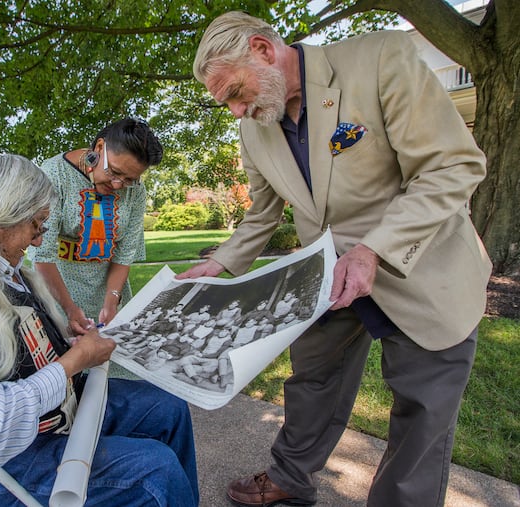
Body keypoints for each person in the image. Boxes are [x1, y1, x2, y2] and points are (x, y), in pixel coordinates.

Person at [179, 11, 492, 507]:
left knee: (423, 407)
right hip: (329, 275)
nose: (237, 111)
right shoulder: (254, 129)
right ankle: (291, 477)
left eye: (236, 92)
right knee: (311, 379)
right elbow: (262, 215)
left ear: (263, 49)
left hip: (422, 266)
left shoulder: (381, 58)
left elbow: (452, 166)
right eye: (228, 104)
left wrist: (374, 250)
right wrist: (217, 266)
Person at [0, 154, 198, 506]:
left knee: (168, 409)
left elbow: (7, 340)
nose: (39, 240)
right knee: (155, 473)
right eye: (36, 225)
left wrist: (65, 340)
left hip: (42, 416)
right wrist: (71, 363)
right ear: (1, 219)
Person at [30, 118, 163, 333]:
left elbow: (124, 255)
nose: (119, 185)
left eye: (129, 179)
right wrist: (70, 309)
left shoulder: (136, 191)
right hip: (58, 300)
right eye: (115, 172)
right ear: (100, 148)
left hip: (110, 300)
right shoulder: (54, 175)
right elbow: (42, 256)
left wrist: (112, 300)